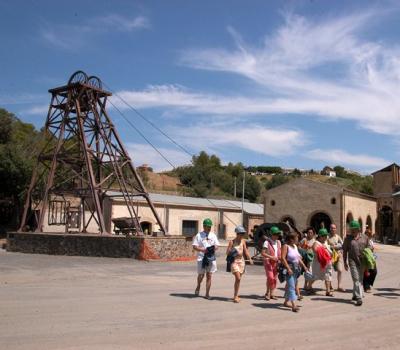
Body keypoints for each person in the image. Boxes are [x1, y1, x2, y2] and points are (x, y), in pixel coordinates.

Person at [343, 220, 371, 306]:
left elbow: (369, 247)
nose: (352, 231)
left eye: (354, 229)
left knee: (360, 279)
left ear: (358, 229)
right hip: (352, 261)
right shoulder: (347, 239)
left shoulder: (365, 237)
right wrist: (345, 262)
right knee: (356, 278)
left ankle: (355, 294)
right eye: (351, 229)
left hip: (362, 261)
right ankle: (359, 298)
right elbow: (345, 251)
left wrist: (368, 255)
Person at [193, 218, 220, 299]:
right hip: (202, 258)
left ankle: (207, 294)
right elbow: (194, 246)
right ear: (204, 226)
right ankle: (198, 286)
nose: (209, 228)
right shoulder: (199, 235)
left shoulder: (213, 235)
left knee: (209, 275)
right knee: (201, 275)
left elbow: (217, 245)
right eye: (207, 226)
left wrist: (214, 248)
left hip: (211, 258)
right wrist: (203, 250)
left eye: (210, 226)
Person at [281, 232, 308, 312]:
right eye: (296, 238)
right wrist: (288, 268)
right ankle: (294, 305)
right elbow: (282, 258)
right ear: (291, 239)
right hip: (289, 268)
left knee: (291, 285)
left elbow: (298, 258)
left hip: (296, 269)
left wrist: (304, 266)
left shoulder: (295, 246)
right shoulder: (286, 246)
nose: (298, 240)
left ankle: (286, 302)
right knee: (292, 286)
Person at [226, 225, 253, 303]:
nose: (242, 235)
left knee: (238, 280)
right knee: (238, 278)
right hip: (234, 261)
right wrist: (233, 251)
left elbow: (245, 251)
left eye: (243, 233)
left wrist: (249, 258)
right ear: (237, 233)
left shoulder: (243, 241)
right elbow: (227, 252)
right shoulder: (232, 242)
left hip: (241, 261)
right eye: (241, 233)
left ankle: (236, 295)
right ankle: (235, 296)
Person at [310, 228, 334, 296]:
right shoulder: (316, 243)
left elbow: (330, 250)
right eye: (324, 236)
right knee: (316, 276)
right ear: (320, 236)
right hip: (319, 264)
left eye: (326, 236)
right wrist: (322, 248)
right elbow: (314, 249)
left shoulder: (326, 242)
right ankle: (309, 286)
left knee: (328, 276)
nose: (326, 237)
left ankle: (328, 291)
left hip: (327, 263)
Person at [261, 226, 282, 301]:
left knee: (275, 279)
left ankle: (271, 293)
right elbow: (263, 253)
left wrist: (280, 259)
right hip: (268, 262)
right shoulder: (267, 242)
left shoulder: (279, 242)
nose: (277, 235)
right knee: (270, 277)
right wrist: (271, 257)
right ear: (271, 234)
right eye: (275, 234)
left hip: (276, 263)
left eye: (278, 234)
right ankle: (267, 293)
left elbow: (280, 252)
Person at [328, 223, 345, 292]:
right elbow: (325, 245)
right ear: (330, 229)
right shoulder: (327, 237)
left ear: (336, 229)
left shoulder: (338, 237)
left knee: (340, 270)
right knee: (330, 271)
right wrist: (331, 247)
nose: (333, 229)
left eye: (334, 228)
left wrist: (336, 246)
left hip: (338, 255)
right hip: (330, 255)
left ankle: (339, 286)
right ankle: (330, 285)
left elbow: (342, 244)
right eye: (332, 228)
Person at [299, 227, 316, 293]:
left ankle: (308, 285)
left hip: (312, 258)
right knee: (307, 271)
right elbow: (299, 246)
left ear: (313, 234)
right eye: (308, 232)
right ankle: (307, 286)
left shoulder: (314, 241)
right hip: (305, 258)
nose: (310, 234)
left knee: (310, 272)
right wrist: (303, 250)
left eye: (311, 233)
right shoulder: (304, 240)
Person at [363, 228, 377, 293]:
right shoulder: (363, 240)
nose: (368, 235)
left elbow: (372, 249)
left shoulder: (371, 240)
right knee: (366, 273)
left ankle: (368, 284)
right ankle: (366, 287)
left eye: (369, 234)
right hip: (365, 258)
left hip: (371, 258)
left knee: (374, 271)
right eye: (367, 233)